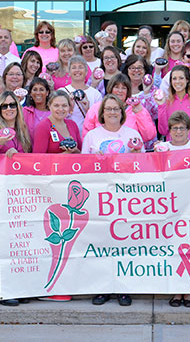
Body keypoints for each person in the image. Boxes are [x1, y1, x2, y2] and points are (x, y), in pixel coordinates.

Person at [84, 95, 141, 308]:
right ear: (102, 113)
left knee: (124, 244)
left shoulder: (132, 134)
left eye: (116, 108)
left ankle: (123, 289)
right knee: (101, 244)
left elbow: (142, 166)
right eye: (108, 109)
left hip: (126, 197)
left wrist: (135, 154)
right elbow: (82, 166)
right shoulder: (92, 136)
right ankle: (103, 288)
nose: (112, 112)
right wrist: (93, 160)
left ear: (122, 111)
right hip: (100, 198)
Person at [0, 92, 34, 306]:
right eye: (4, 106)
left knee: (19, 242)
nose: (9, 109)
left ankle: (17, 288)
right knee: (5, 241)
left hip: (19, 193)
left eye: (13, 105)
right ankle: (1, 291)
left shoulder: (23, 132)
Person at [82, 74, 157, 147]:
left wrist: (140, 112)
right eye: (116, 87)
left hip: (128, 155)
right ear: (110, 89)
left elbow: (149, 135)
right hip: (101, 155)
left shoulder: (135, 108)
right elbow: (87, 137)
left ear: (128, 91)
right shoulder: (97, 108)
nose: (120, 91)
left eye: (124, 88)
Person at [157, 65, 190, 145]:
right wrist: (161, 106)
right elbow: (163, 131)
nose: (177, 82)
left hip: (189, 151)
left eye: (181, 78)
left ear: (187, 80)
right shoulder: (165, 103)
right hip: (171, 151)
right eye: (174, 78)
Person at [61, 55, 102, 131]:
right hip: (68, 136)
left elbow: (100, 120)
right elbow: (57, 118)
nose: (77, 70)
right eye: (74, 67)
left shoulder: (96, 94)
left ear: (86, 71)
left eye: (80, 67)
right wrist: (70, 109)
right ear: (69, 72)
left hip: (89, 136)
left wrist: (88, 110)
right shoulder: (62, 92)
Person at [121, 54, 158, 121]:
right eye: (132, 67)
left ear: (145, 70)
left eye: (139, 68)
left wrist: (147, 93)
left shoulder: (153, 90)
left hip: (145, 129)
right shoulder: (121, 88)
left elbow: (154, 115)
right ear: (127, 70)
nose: (136, 70)